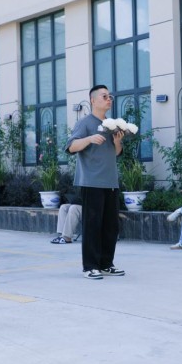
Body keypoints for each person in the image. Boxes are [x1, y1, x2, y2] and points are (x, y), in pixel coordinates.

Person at [66, 85, 125, 280]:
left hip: (111, 182)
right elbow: (71, 147)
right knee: (92, 225)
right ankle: (90, 266)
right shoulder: (85, 123)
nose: (109, 99)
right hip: (91, 182)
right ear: (93, 100)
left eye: (110, 96)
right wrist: (90, 138)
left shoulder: (112, 124)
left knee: (111, 226)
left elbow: (115, 153)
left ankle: (106, 264)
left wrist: (117, 141)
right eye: (104, 96)